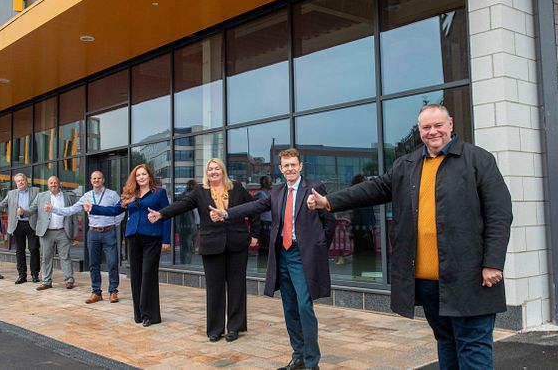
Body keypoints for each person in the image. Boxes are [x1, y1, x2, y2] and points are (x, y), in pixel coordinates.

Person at [307, 104, 513, 370]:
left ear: (450, 124)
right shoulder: (407, 164)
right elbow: (373, 189)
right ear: (420, 131)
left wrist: (493, 262)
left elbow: (500, 215)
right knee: (446, 343)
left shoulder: (478, 160)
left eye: (438, 125)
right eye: (426, 127)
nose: (433, 132)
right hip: (428, 282)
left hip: (470, 278)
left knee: (473, 347)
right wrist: (329, 201)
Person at [210, 148, 335, 370]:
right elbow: (254, 206)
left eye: (293, 165)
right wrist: (227, 213)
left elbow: (329, 222)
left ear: (300, 166)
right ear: (280, 169)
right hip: (282, 255)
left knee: (304, 306)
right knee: (289, 307)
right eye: (285, 166)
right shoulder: (277, 191)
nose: (289, 169)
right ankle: (298, 356)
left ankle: (311, 362)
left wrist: (318, 249)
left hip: (302, 255)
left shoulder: (314, 188)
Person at [148, 158, 258, 342]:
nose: (213, 172)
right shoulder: (200, 191)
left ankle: (235, 327)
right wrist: (161, 214)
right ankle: (215, 329)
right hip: (212, 244)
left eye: (216, 168)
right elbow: (182, 205)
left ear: (222, 171)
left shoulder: (236, 188)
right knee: (214, 288)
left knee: (237, 286)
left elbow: (254, 208)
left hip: (237, 243)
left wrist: (254, 234)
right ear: (206, 173)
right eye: (210, 169)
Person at [86, 164, 170, 327]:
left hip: (153, 237)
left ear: (149, 176)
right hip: (133, 237)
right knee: (136, 276)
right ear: (135, 178)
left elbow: (167, 215)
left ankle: (150, 315)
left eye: (144, 174)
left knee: (148, 274)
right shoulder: (131, 194)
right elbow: (115, 210)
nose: (141, 177)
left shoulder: (159, 193)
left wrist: (166, 239)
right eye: (138, 175)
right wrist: (94, 208)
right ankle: (139, 314)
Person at [49, 170, 123, 303]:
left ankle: (113, 291)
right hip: (93, 233)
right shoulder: (87, 196)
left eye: (99, 178)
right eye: (94, 178)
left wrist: (114, 223)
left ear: (103, 180)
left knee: (112, 262)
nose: (96, 180)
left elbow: (122, 210)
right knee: (93, 264)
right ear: (90, 180)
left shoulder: (112, 195)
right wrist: (54, 209)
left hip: (109, 232)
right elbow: (71, 210)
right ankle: (96, 292)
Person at [0, 173, 40, 284]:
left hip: (32, 223)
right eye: (18, 181)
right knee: (19, 250)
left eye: (22, 180)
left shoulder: (36, 191)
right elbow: (2, 205)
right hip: (17, 224)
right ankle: (22, 275)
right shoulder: (11, 193)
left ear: (26, 180)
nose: (21, 182)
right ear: (15, 183)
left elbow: (37, 207)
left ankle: (34, 274)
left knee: (33, 249)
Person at [23, 176, 77, 291]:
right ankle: (46, 281)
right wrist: (23, 212)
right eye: (51, 183)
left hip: (63, 231)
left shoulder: (68, 197)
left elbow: (74, 215)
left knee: (65, 257)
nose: (53, 185)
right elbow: (32, 210)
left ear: (59, 184)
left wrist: (74, 231)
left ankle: (69, 280)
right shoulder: (41, 196)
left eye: (55, 183)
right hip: (47, 232)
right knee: (46, 257)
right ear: (48, 185)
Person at [348, 173, 376, 278]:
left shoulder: (362, 196)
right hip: (362, 229)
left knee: (362, 253)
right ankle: (362, 274)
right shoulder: (361, 196)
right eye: (364, 180)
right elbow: (359, 215)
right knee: (363, 253)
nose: (367, 181)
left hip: (363, 229)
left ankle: (361, 274)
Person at [176, 179, 199, 265]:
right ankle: (186, 264)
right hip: (188, 226)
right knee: (188, 247)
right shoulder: (188, 197)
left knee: (186, 247)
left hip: (189, 225)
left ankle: (185, 263)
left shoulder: (185, 196)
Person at [255, 175, 273, 268]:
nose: (271, 183)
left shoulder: (269, 192)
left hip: (271, 224)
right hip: (264, 225)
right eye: (269, 181)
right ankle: (262, 267)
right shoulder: (260, 194)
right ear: (264, 183)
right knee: (264, 247)